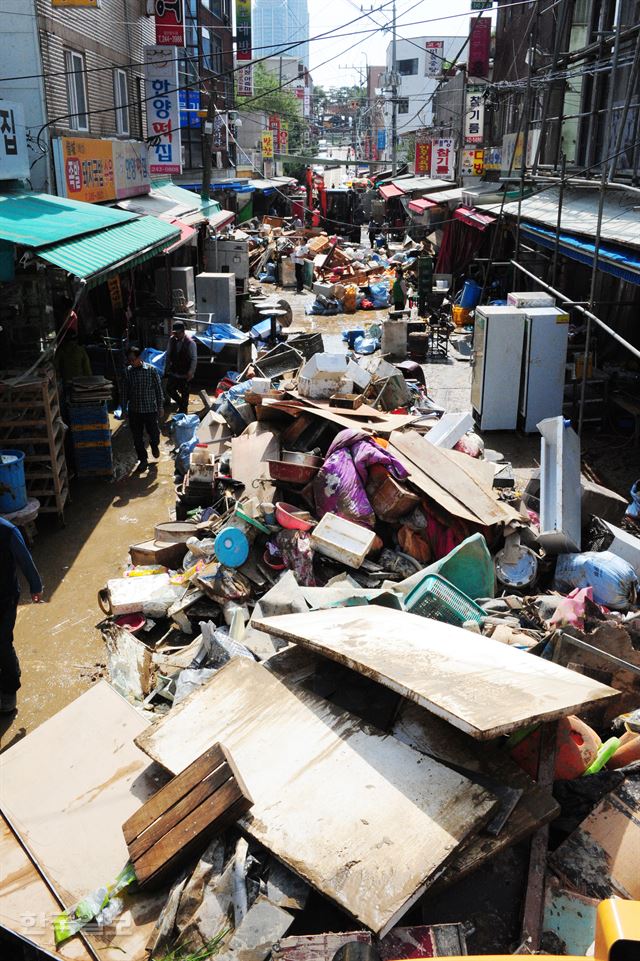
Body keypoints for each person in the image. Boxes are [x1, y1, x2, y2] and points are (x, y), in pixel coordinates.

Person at [0, 518, 43, 714]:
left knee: (2, 643)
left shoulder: (7, 530)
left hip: (5, 598)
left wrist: (35, 586)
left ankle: (10, 689)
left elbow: (24, 559)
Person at [121, 346, 164, 472]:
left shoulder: (151, 370)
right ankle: (143, 460)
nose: (131, 362)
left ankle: (154, 445)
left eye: (133, 359)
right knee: (137, 438)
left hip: (150, 409)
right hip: (134, 411)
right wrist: (124, 409)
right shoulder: (127, 372)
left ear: (139, 358)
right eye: (129, 360)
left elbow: (158, 390)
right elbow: (124, 393)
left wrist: (160, 406)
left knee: (154, 434)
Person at [166, 321, 197, 413]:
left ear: (183, 332)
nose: (176, 335)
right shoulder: (172, 340)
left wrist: (191, 372)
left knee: (185, 393)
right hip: (174, 371)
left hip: (185, 372)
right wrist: (166, 367)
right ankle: (181, 403)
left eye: (177, 333)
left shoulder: (191, 343)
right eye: (174, 333)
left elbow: (194, 359)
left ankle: (183, 410)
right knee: (169, 389)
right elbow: (168, 354)